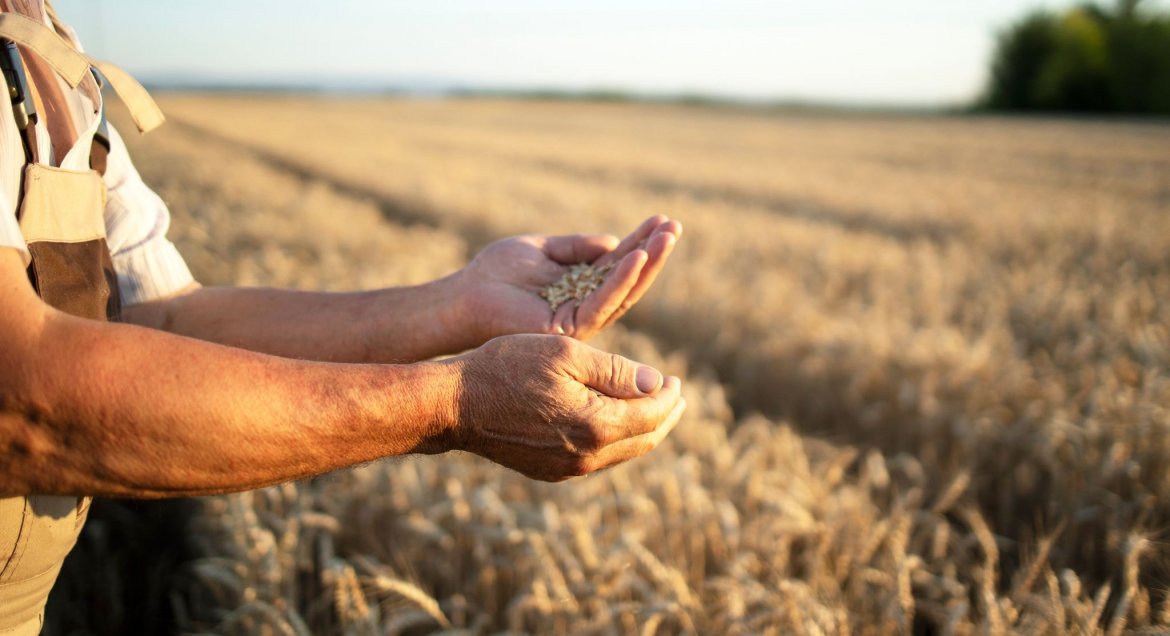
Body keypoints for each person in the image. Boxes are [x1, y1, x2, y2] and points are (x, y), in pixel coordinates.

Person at [0, 2, 685, 633]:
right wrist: (457, 402)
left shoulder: (45, 47)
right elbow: (21, 397)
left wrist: (459, 301)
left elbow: (159, 318)